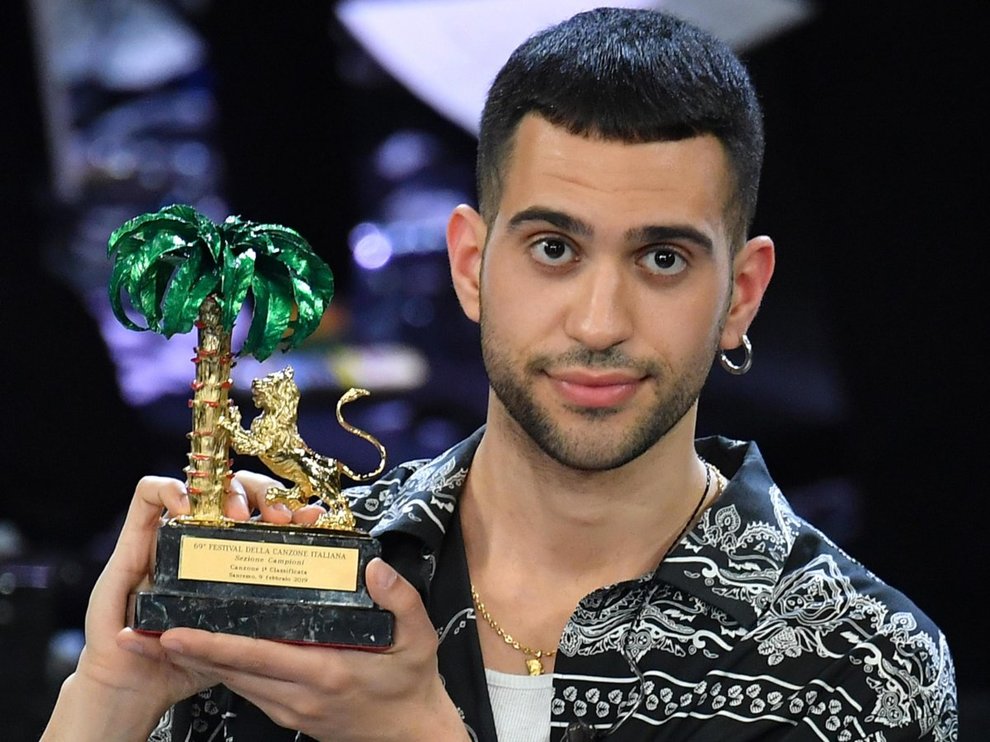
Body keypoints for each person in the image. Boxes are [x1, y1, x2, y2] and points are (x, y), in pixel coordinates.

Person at [41, 7, 957, 741]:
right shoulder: (308, 596)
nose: (600, 323)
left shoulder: (860, 664)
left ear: (743, 293)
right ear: (472, 265)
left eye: (664, 260)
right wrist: (111, 698)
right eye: (554, 248)